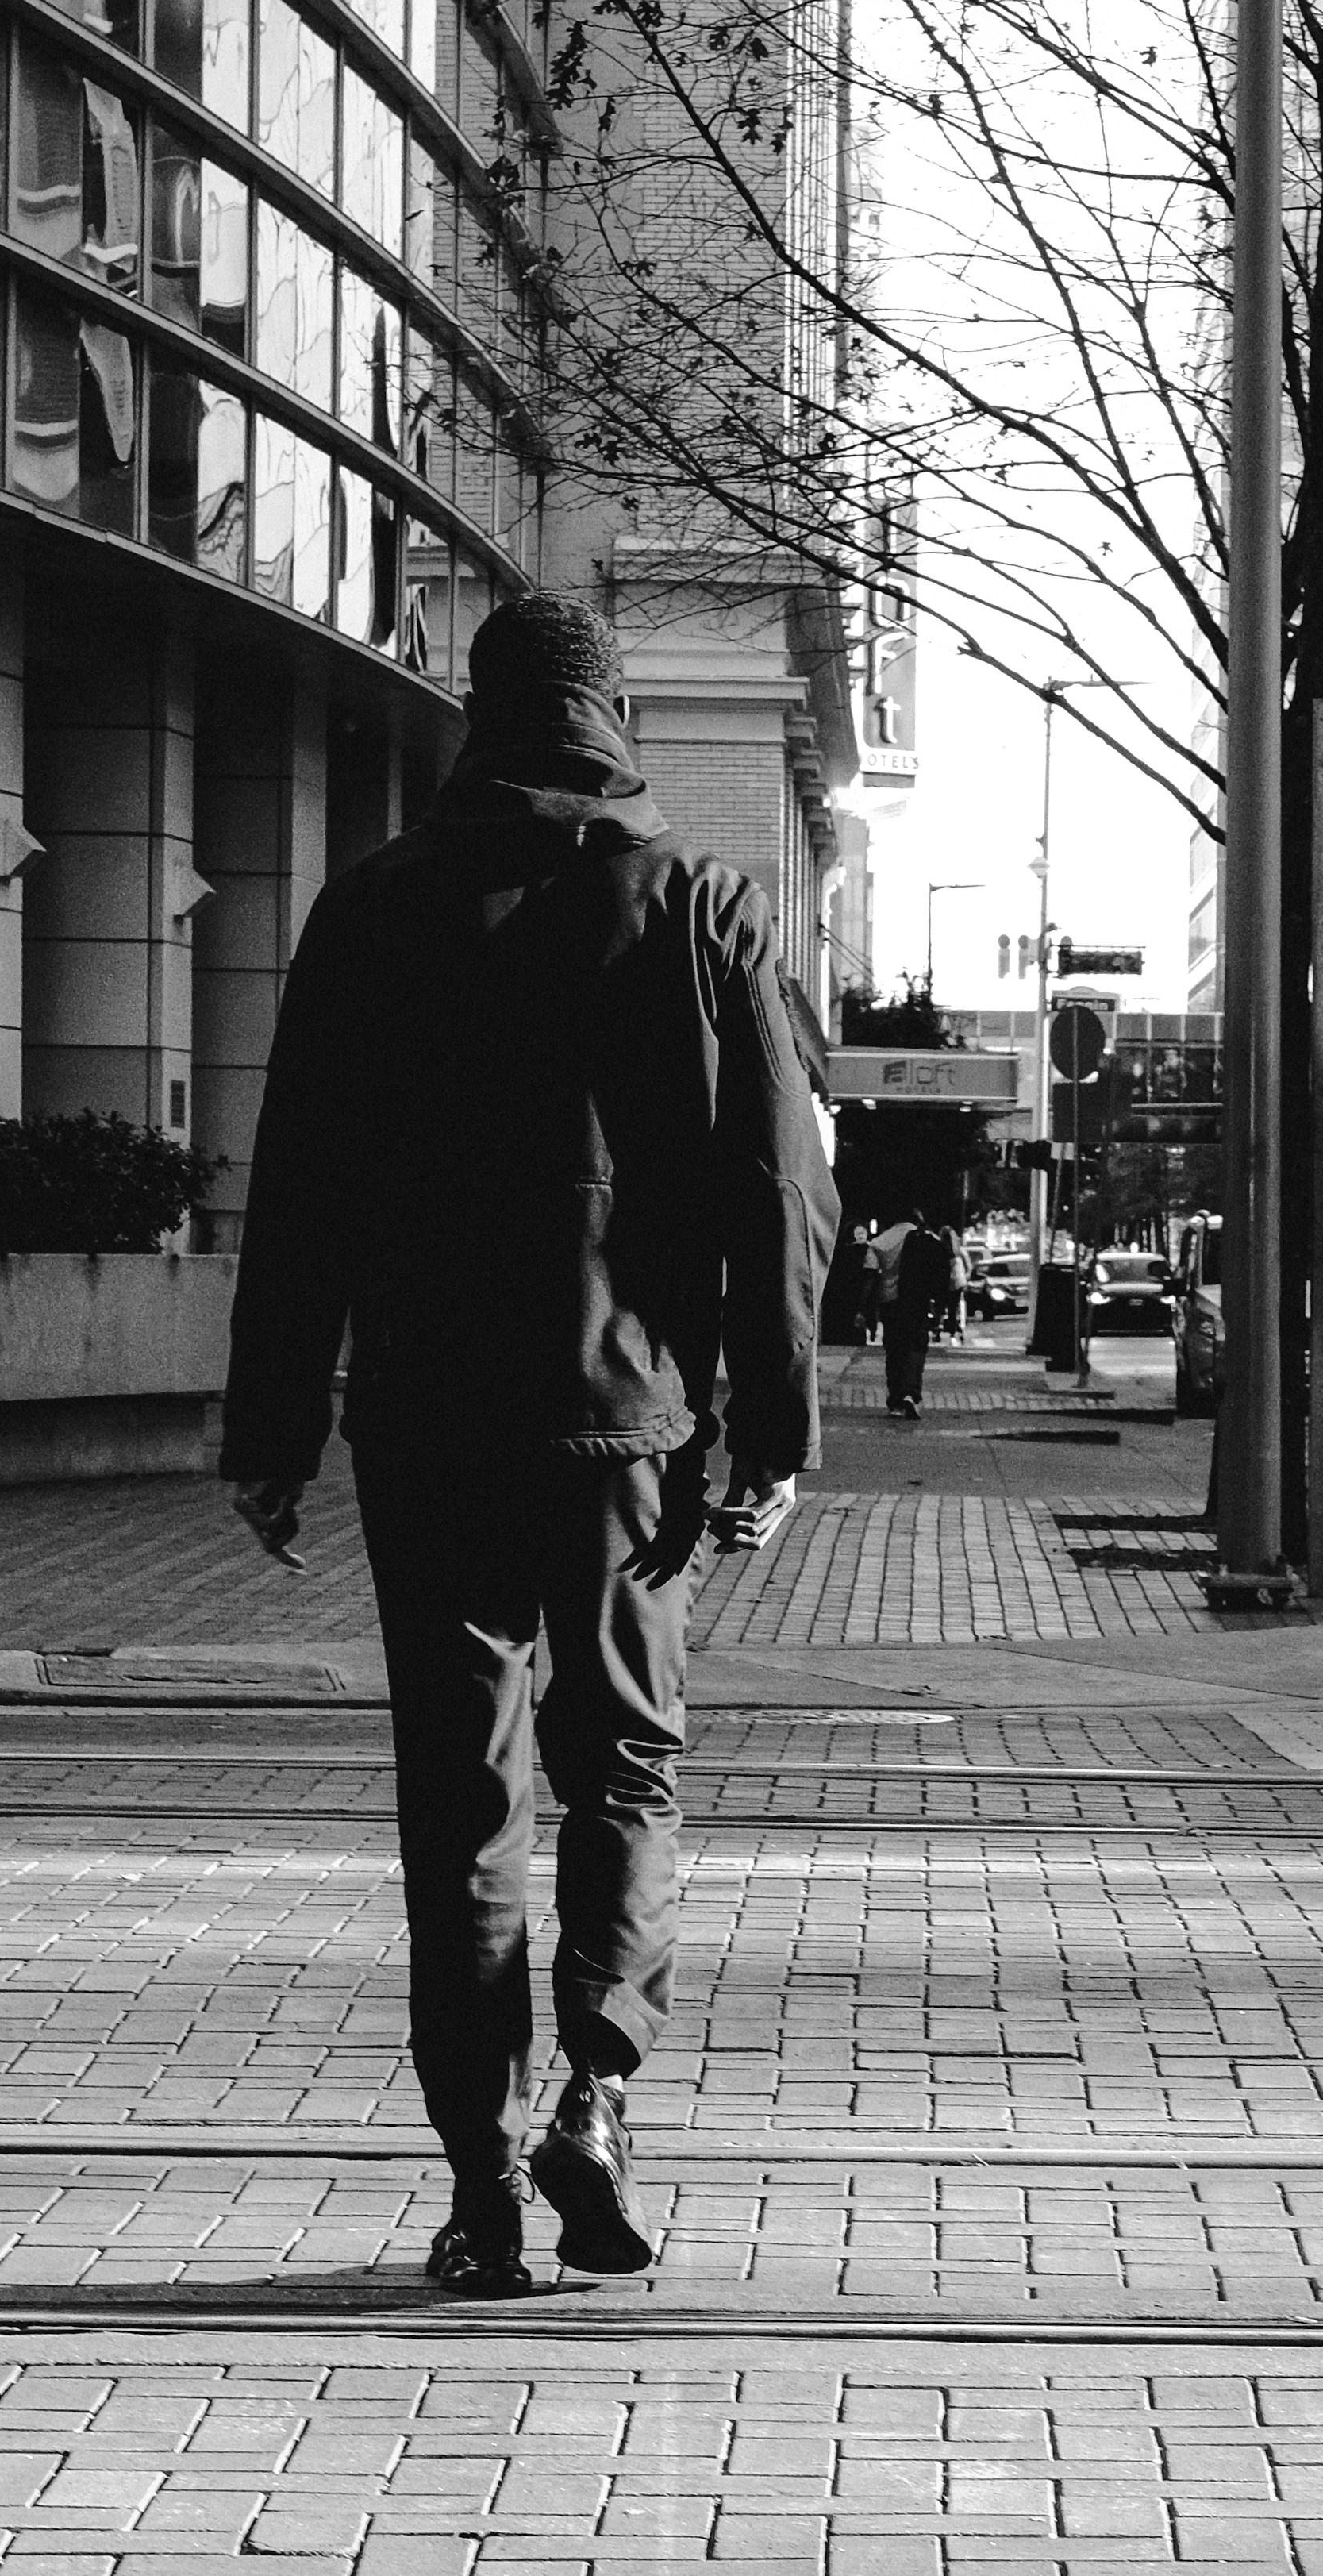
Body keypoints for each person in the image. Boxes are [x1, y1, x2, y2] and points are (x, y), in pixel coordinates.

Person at [221, 592, 837, 2297]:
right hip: (626, 1421)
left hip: (426, 1421)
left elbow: (302, 1188)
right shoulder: (703, 906)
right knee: (624, 1766)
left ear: (477, 719)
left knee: (458, 1800)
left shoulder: (372, 910)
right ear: (614, 715)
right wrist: (770, 1423)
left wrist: (271, 1425)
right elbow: (781, 1189)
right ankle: (598, 2088)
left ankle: (481, 2179)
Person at [884, 1212, 960, 1419]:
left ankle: (896, 1398)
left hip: (899, 1302)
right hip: (921, 1304)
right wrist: (939, 1310)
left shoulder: (905, 1243)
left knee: (895, 1351)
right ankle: (912, 1393)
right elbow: (944, 1279)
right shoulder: (933, 1244)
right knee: (916, 1350)